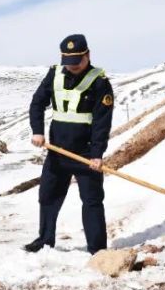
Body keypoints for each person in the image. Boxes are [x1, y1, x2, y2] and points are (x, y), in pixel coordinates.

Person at [26, 34, 114, 254]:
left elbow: (102, 123)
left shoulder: (99, 82)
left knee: (92, 201)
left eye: (78, 62)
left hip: (85, 155)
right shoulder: (54, 74)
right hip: (57, 152)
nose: (73, 67)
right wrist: (38, 131)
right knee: (47, 196)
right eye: (69, 62)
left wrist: (97, 154)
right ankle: (45, 241)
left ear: (88, 55)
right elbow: (37, 103)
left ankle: (97, 249)